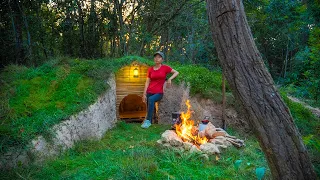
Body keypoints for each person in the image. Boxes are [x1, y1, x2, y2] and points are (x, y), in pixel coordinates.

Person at [141, 51, 179, 128]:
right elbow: (147, 82)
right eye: (155, 57)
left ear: (162, 59)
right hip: (149, 91)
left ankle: (148, 121)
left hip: (159, 92)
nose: (156, 59)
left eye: (159, 57)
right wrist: (144, 94)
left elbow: (176, 72)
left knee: (151, 99)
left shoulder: (165, 68)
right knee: (150, 106)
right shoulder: (150, 69)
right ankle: (150, 120)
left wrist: (170, 79)